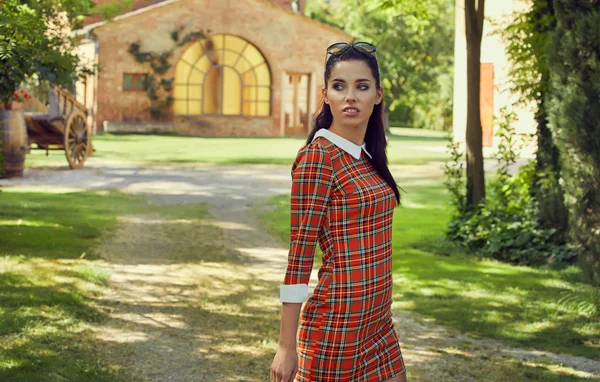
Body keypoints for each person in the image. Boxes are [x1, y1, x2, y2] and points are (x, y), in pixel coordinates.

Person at [270, 42, 407, 382]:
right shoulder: (319, 158)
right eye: (339, 86)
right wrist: (287, 347)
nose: (351, 97)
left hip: (377, 323)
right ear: (326, 94)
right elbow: (299, 256)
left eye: (362, 86)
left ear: (377, 94)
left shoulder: (368, 157)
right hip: (336, 325)